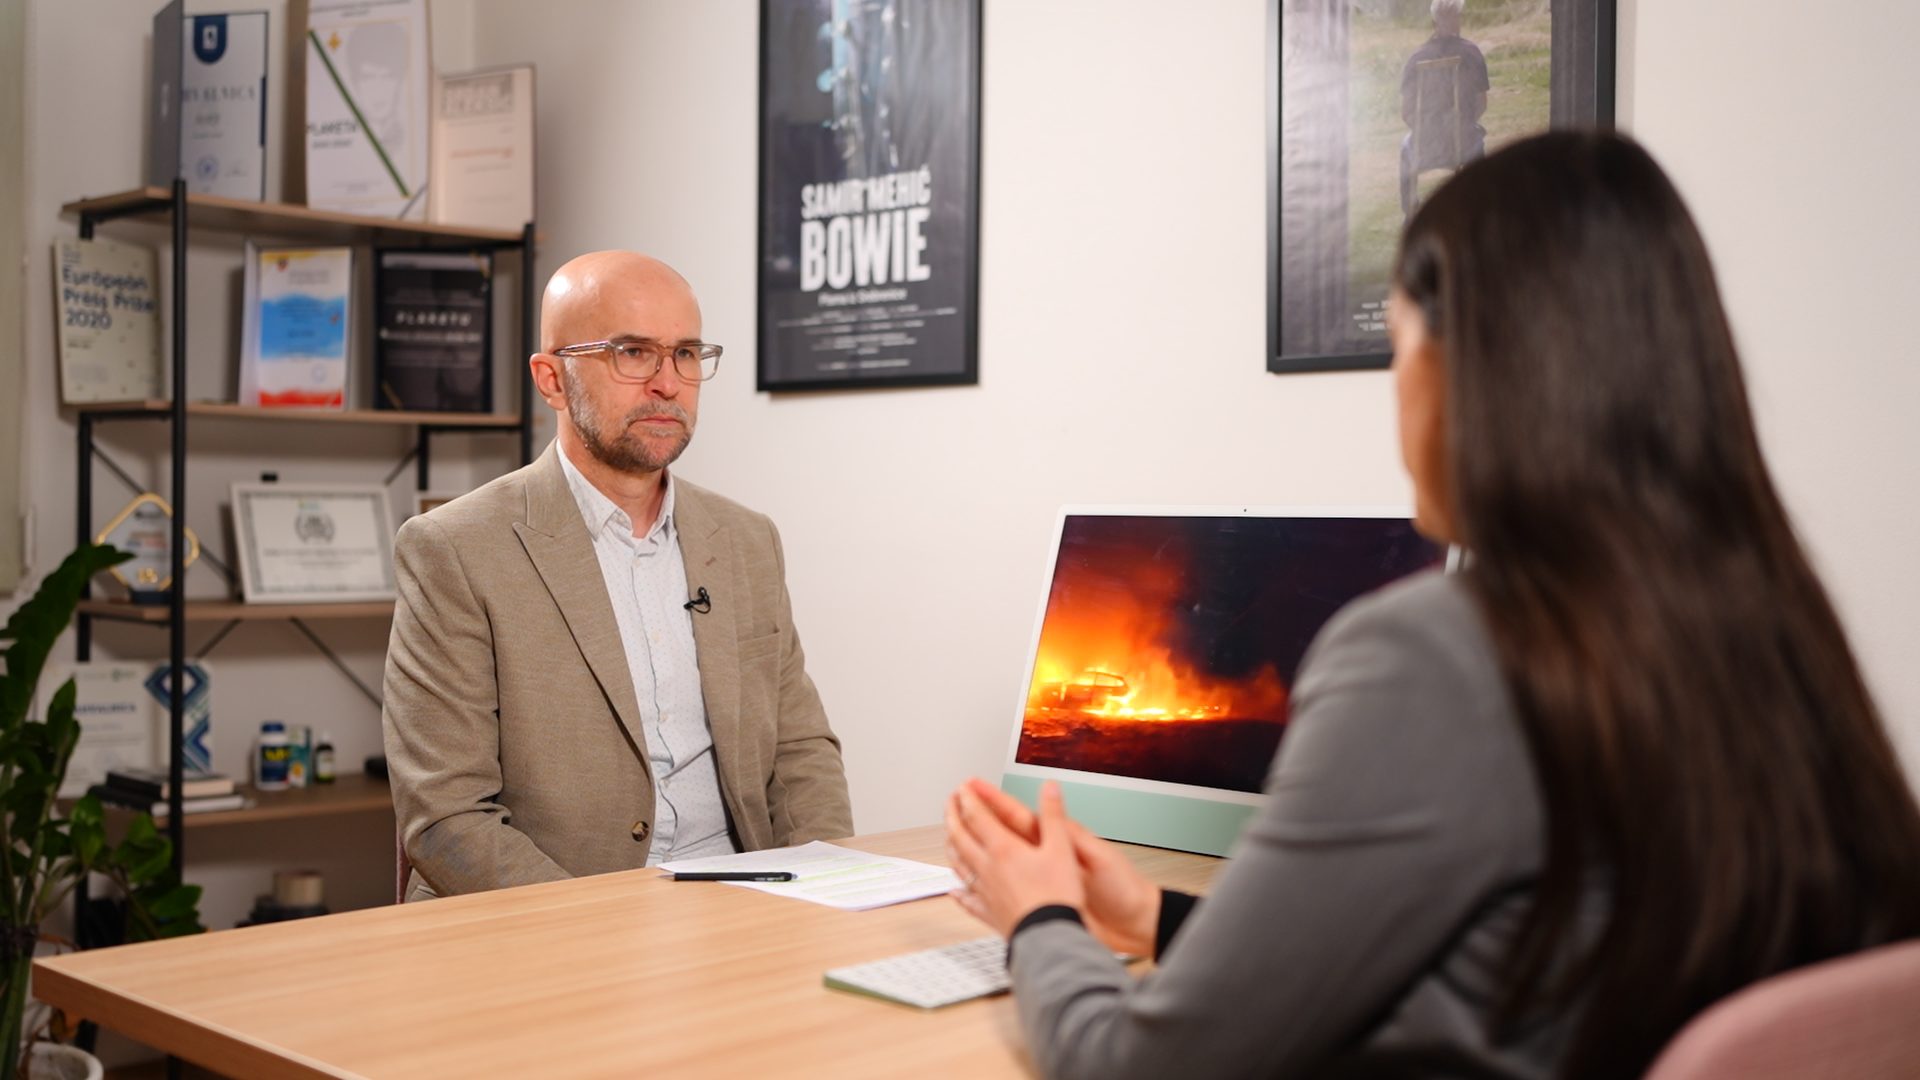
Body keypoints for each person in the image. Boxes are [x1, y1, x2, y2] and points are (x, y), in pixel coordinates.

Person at [944, 132, 1920, 1080]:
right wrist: (1159, 917)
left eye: (1398, 346)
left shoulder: (1434, 656)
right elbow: (1527, 959)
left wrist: (1040, 918)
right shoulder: (1770, 630)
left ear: (1472, 369)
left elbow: (1136, 1066)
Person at [384, 251, 853, 899]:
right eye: (633, 353)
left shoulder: (747, 540)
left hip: (743, 902)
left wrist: (829, 885)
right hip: (556, 912)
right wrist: (604, 929)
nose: (668, 383)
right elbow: (447, 817)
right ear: (551, 379)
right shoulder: (455, 549)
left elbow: (801, 751)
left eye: (685, 354)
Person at [1399, 0, 1489, 216]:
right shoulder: (1471, 53)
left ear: (1434, 23)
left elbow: (1406, 112)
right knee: (1478, 141)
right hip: (1464, 141)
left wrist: (1426, 130)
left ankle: (1410, 211)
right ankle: (1479, 208)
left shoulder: (1416, 57)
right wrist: (1463, 124)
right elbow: (1482, 103)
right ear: (1458, 20)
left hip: (1425, 144)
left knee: (1405, 147)